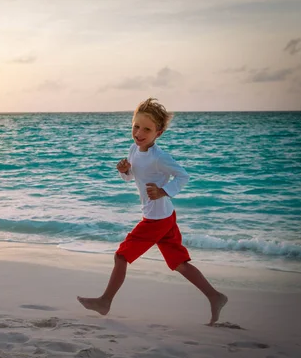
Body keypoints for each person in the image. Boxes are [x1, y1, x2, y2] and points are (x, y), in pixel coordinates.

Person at [77, 97, 227, 325]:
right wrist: (124, 171)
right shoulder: (133, 149)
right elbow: (131, 178)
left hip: (156, 219)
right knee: (179, 263)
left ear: (158, 133)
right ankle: (215, 297)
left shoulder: (160, 157)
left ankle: (105, 301)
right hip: (164, 216)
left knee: (121, 256)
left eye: (147, 129)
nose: (139, 132)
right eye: (136, 126)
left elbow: (183, 176)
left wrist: (164, 191)